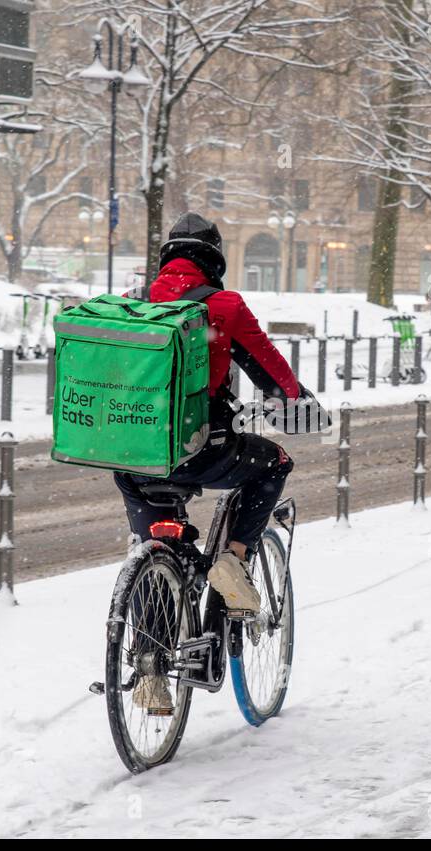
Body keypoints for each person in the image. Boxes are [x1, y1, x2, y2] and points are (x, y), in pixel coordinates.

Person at [116, 213, 327, 711]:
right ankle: (232, 560)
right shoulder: (224, 306)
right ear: (216, 262)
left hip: (131, 457)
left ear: (167, 258)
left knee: (155, 542)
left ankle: (149, 672)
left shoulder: (133, 305)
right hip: (200, 451)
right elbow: (274, 378)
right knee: (273, 462)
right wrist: (295, 400)